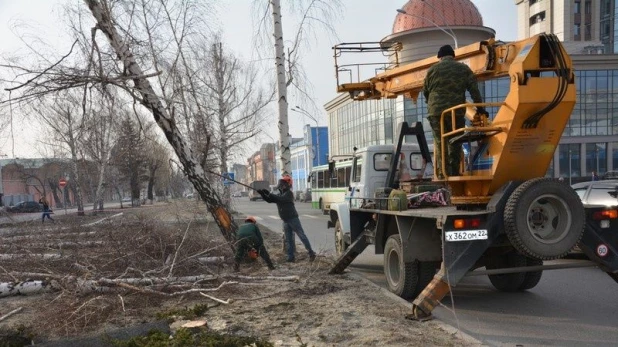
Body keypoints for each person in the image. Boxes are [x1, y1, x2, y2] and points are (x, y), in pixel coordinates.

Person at [423, 44, 486, 178]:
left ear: (440, 57)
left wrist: (432, 104)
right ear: (453, 56)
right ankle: (453, 173)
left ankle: (442, 175)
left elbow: (426, 92)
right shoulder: (463, 69)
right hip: (455, 112)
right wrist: (481, 109)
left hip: (436, 113)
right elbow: (474, 90)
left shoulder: (432, 70)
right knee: (455, 141)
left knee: (440, 144)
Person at [258, 175, 316, 262]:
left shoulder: (289, 194)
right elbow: (270, 200)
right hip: (285, 220)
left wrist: (269, 193)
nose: (281, 187)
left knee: (302, 236)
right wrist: (263, 194)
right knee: (288, 239)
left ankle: (311, 253)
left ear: (286, 185)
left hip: (293, 219)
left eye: (282, 185)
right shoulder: (281, 194)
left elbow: (280, 199)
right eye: (281, 185)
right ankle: (290, 257)